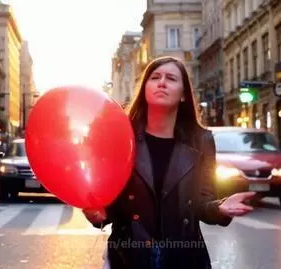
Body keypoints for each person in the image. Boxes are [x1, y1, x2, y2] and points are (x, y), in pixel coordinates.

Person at [83, 56, 256, 269]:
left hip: (183, 257)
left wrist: (221, 208)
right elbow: (110, 204)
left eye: (171, 78)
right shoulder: (121, 137)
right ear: (145, 88)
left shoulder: (201, 140)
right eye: (155, 77)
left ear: (183, 94)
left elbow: (201, 203)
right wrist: (97, 213)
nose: (162, 82)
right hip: (129, 257)